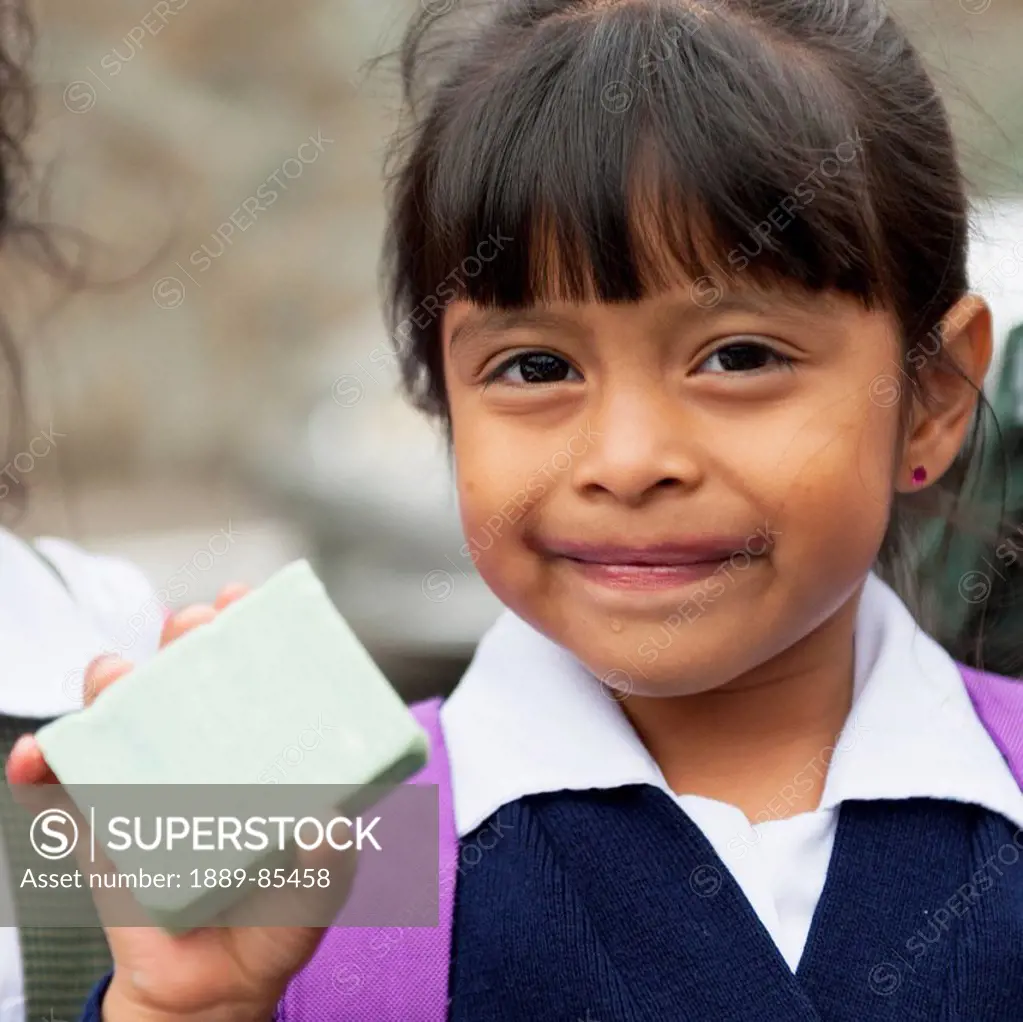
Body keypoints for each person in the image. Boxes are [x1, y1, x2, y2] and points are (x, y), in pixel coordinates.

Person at [13, 0, 1023, 1018]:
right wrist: (189, 1007)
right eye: (536, 366)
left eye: (740, 356)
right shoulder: (335, 842)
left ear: (932, 396)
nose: (628, 461)